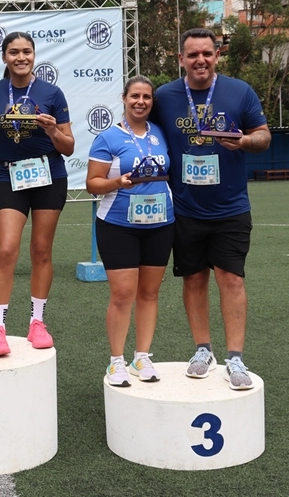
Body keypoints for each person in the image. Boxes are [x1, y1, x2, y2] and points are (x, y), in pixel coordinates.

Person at [151, 28, 271, 390]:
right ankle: (203, 349)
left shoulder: (239, 91)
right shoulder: (165, 96)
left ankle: (236, 358)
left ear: (217, 55)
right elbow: (146, 134)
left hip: (231, 207)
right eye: (192, 55)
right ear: (181, 59)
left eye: (207, 53)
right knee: (194, 278)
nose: (200, 60)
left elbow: (264, 135)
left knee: (231, 279)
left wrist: (245, 141)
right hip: (184, 208)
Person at [0, 32, 74, 357]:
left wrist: (52, 130)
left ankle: (37, 322)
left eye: (26, 51)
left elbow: (69, 145)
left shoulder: (52, 92)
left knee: (41, 250)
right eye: (13, 52)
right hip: (10, 175)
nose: (21, 57)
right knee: (7, 250)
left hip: (49, 174)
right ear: (4, 57)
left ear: (34, 55)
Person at [86, 76, 175, 386]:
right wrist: (116, 182)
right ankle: (116, 361)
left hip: (160, 224)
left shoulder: (161, 133)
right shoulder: (108, 137)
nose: (141, 101)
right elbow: (91, 184)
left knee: (149, 293)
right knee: (123, 294)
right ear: (124, 99)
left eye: (146, 97)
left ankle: (142, 357)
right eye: (135, 96)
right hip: (118, 225)